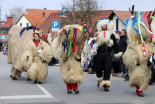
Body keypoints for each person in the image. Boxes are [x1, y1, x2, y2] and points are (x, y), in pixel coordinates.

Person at [95, 17, 122, 92]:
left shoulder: (111, 35)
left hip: (107, 55)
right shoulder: (98, 35)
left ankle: (106, 84)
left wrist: (117, 52)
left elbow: (115, 45)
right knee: (98, 69)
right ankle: (100, 79)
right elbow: (94, 45)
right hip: (99, 55)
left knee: (107, 69)